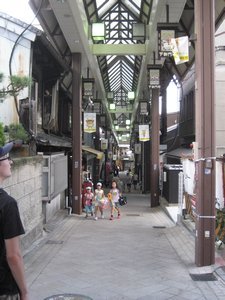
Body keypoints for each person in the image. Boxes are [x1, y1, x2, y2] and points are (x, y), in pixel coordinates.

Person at [0, 142, 29, 300]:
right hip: (4, 288)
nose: (11, 162)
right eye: (6, 158)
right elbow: (13, 255)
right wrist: (24, 291)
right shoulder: (7, 204)